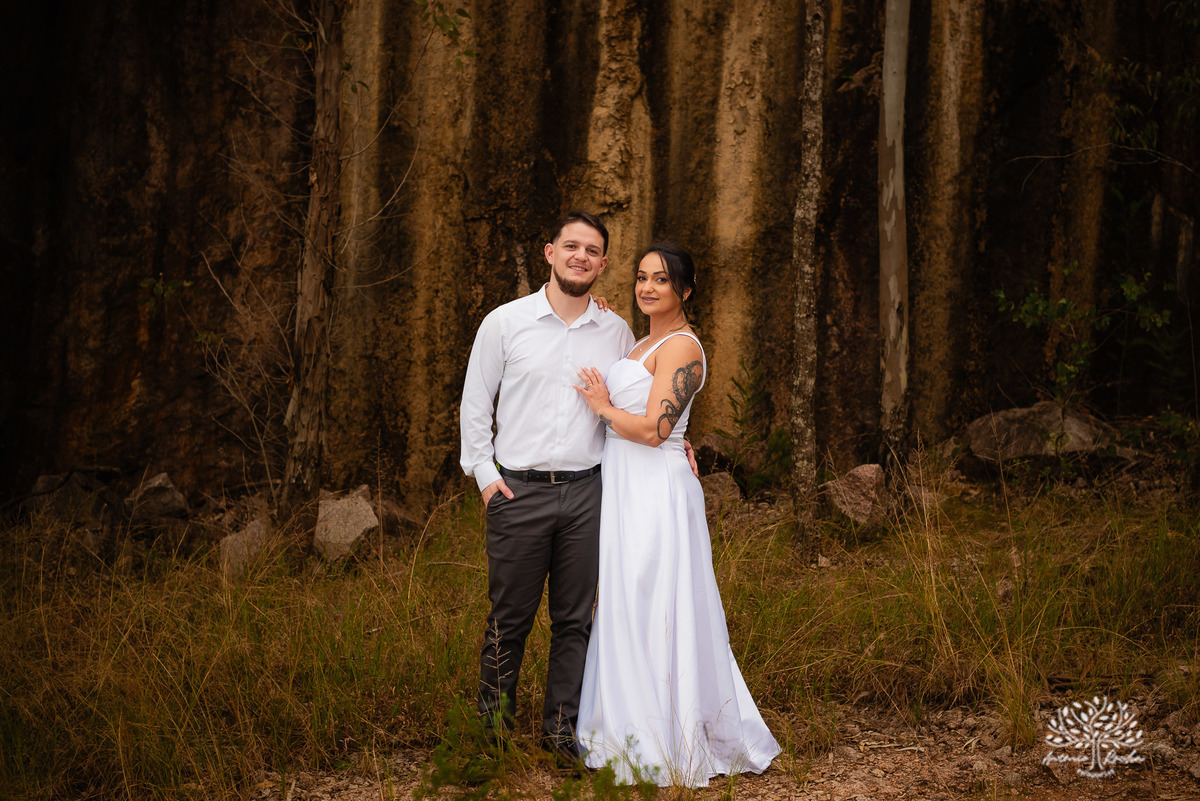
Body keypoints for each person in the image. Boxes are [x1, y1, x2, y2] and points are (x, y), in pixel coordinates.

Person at [572, 241, 781, 787]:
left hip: (655, 489)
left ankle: (671, 733)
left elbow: (654, 429)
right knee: (625, 601)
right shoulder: (643, 340)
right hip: (624, 485)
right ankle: (627, 725)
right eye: (641, 277)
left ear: (685, 290)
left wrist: (600, 407)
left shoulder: (683, 347)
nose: (647, 287)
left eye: (660, 280)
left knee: (655, 601)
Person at [458, 210, 635, 761]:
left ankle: (562, 735)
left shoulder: (616, 331)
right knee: (507, 622)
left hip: (588, 494)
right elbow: (473, 405)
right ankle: (492, 738)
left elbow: (637, 406)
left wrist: (684, 445)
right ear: (549, 253)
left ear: (603, 265)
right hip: (518, 493)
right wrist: (487, 479)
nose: (581, 256)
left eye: (592, 250)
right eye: (571, 246)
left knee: (574, 621)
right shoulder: (504, 323)